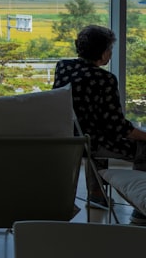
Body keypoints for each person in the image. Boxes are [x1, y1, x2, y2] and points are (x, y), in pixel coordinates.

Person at [53, 24, 146, 224]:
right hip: (92, 142)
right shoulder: (105, 79)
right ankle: (141, 207)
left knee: (95, 133)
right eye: (110, 50)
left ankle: (97, 194)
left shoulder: (63, 67)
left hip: (71, 137)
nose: (111, 54)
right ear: (102, 53)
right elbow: (118, 126)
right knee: (143, 148)